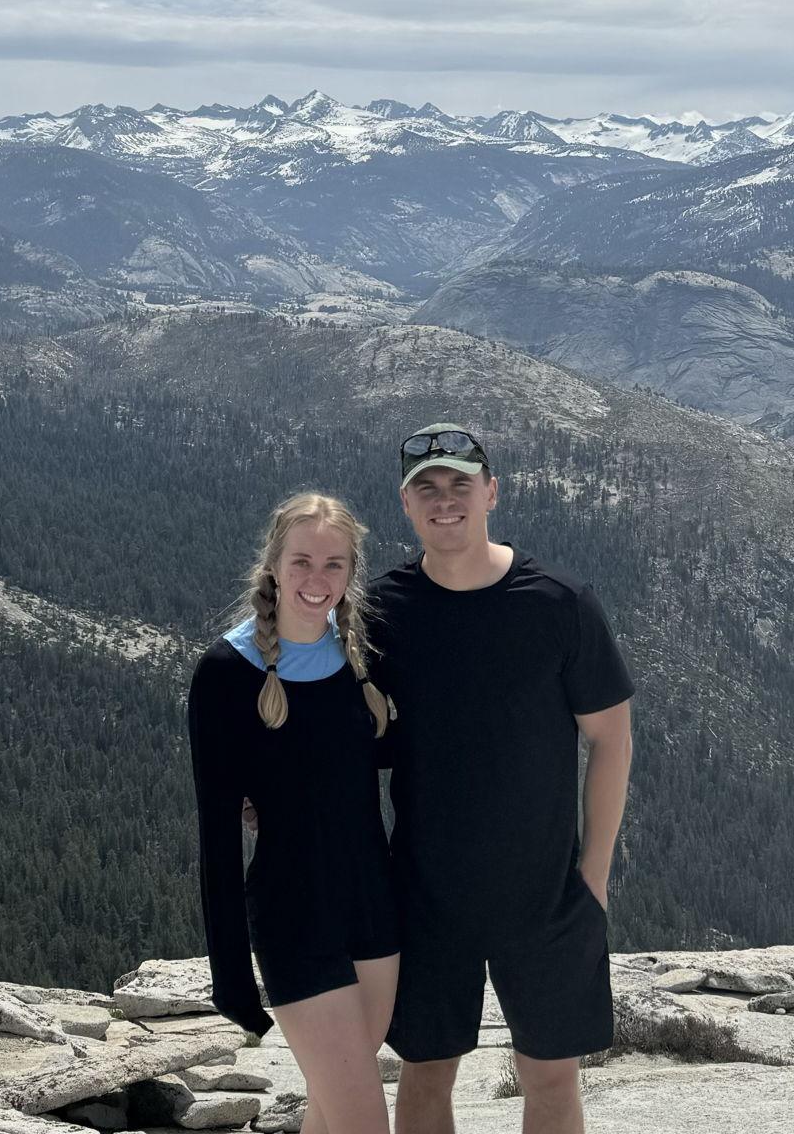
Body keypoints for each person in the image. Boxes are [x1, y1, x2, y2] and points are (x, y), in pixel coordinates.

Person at [365, 424, 634, 1134]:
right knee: (426, 1071)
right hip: (423, 887)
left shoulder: (559, 603)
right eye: (428, 488)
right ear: (406, 503)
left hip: (545, 891)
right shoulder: (379, 611)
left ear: (491, 492)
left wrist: (594, 876)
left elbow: (611, 740)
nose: (444, 501)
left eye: (460, 485)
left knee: (550, 1074)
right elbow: (332, 721)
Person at [188, 493, 401, 1134]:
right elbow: (218, 837)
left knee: (334, 1108)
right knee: (364, 1119)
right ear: (274, 566)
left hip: (374, 907)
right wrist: (231, 976)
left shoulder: (367, 658)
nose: (317, 579)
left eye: (334, 564)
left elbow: (401, 757)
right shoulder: (226, 674)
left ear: (351, 573)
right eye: (302, 560)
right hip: (293, 914)